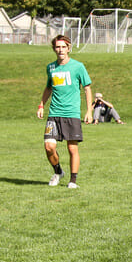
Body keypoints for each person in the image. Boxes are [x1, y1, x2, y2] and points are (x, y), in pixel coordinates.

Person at [36, 34, 93, 189]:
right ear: (54, 49)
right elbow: (48, 88)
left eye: (63, 47)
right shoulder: (51, 67)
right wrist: (41, 105)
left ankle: (73, 181)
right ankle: (58, 171)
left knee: (72, 148)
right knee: (49, 146)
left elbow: (87, 88)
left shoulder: (78, 66)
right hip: (54, 113)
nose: (60, 50)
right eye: (57, 47)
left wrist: (89, 111)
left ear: (69, 48)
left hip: (71, 113)